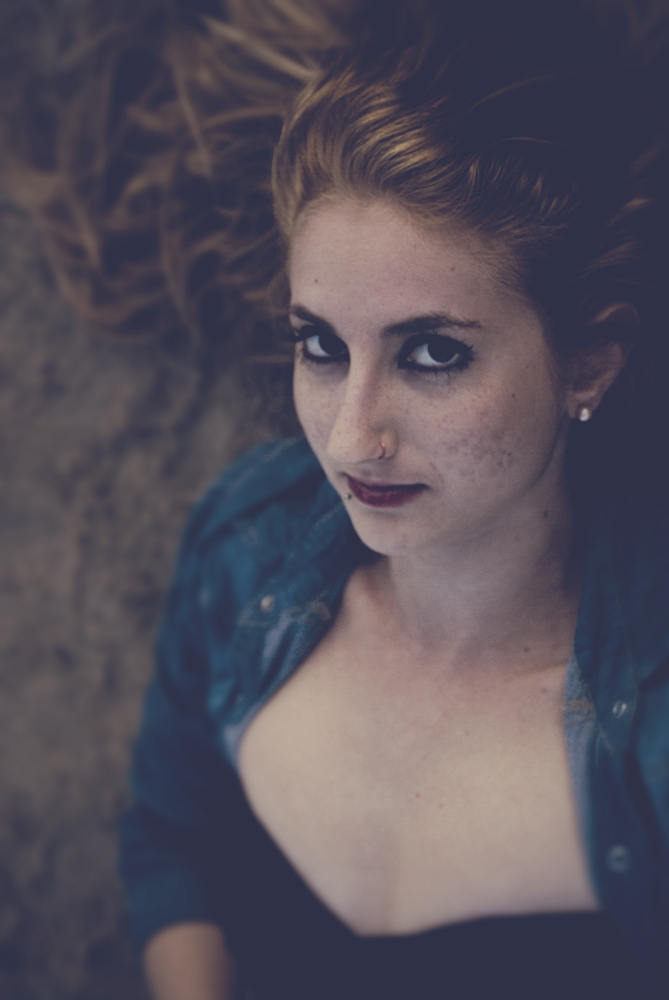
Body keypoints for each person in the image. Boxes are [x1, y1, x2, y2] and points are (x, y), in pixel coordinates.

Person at [110, 0, 669, 997]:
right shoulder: (246, 545)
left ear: (588, 362)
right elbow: (173, 833)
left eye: (434, 354)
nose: (347, 436)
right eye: (321, 345)